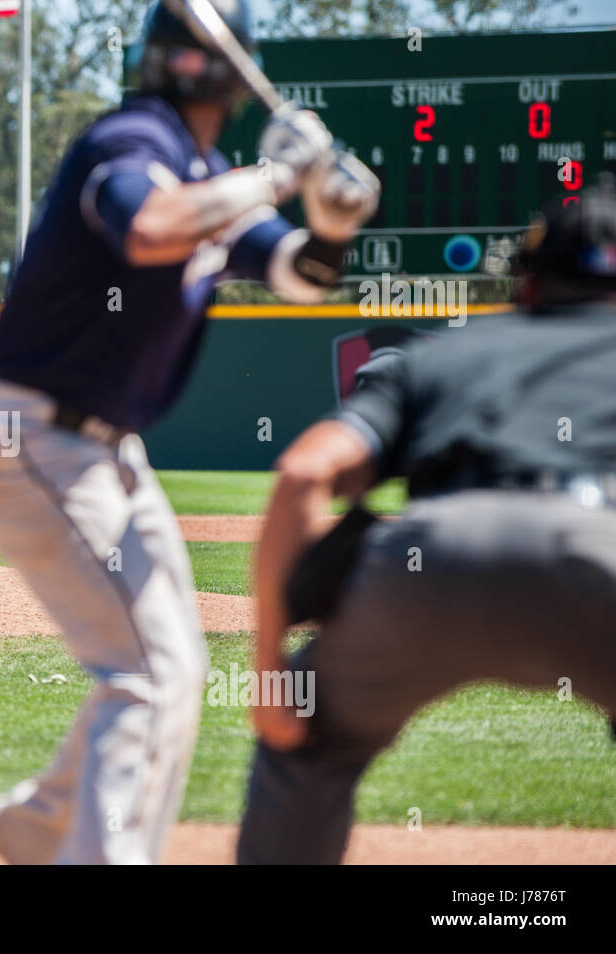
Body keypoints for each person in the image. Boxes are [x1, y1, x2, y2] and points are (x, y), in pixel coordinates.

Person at [0, 0, 378, 864]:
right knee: (151, 674)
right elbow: (150, 228)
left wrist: (329, 228)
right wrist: (274, 177)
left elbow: (293, 273)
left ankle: (37, 827)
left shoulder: (205, 168)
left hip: (95, 447)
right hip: (28, 430)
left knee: (164, 665)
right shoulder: (132, 139)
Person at [238, 175, 616, 864]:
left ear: (528, 284)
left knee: (310, 743)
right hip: (599, 557)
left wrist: (272, 682)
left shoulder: (447, 353)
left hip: (430, 558)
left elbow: (302, 474)